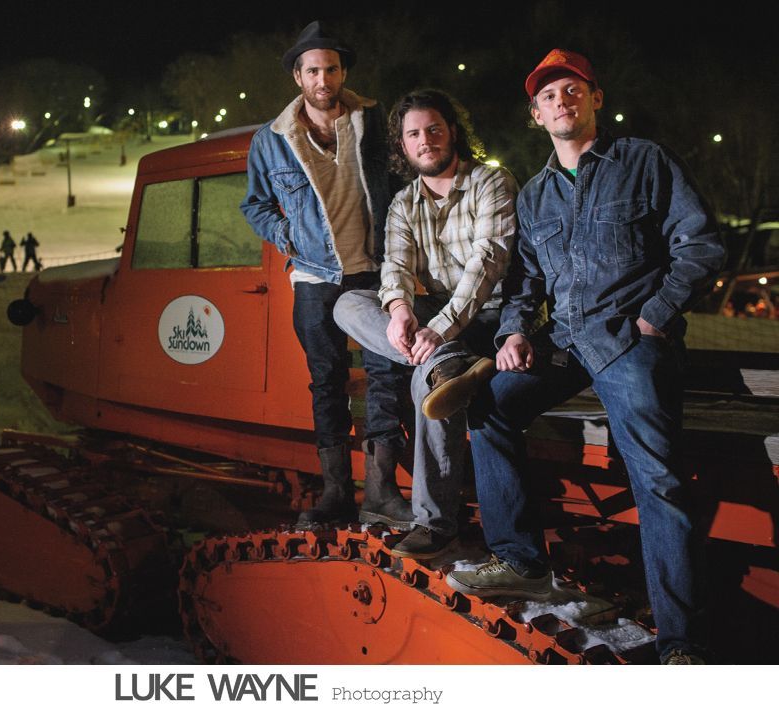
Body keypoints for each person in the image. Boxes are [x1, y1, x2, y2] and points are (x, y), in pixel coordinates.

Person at [446, 49, 727, 665]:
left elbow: (700, 244)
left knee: (657, 480)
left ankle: (682, 645)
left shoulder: (643, 162)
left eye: (571, 90)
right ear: (536, 115)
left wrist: (657, 313)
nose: (561, 102)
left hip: (630, 339)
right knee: (488, 404)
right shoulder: (537, 195)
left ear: (595, 98)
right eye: (548, 96)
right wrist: (515, 334)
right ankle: (519, 558)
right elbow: (524, 283)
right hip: (567, 342)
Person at [240, 21, 410, 528]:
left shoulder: (372, 120)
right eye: (313, 69)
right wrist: (288, 237)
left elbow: (401, 178)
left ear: (342, 72)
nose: (323, 78)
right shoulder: (270, 140)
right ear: (298, 76)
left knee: (386, 374)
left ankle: (381, 489)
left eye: (331, 68)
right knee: (326, 382)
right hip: (313, 276)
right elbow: (255, 205)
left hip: (372, 271)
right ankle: (336, 491)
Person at [334, 90, 517, 558]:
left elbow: (487, 264)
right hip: (435, 323)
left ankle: (435, 525)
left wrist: (439, 330)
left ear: (452, 131)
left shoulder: (490, 183)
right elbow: (395, 267)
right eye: (413, 133)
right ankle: (444, 362)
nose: (426, 140)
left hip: (487, 314)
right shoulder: (403, 204)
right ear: (403, 144)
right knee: (348, 304)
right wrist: (399, 312)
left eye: (434, 129)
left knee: (427, 387)